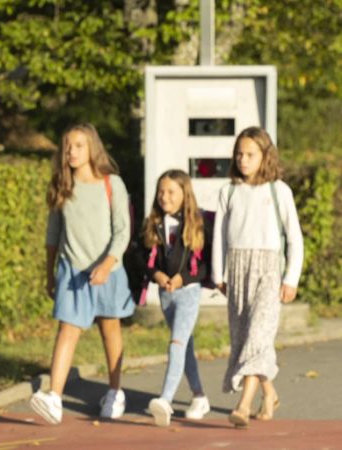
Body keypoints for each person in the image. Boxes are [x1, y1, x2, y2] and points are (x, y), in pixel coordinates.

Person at [30, 123, 135, 424]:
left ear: (92, 149)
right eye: (67, 146)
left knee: (109, 329)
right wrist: (50, 275)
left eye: (78, 146)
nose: (71, 152)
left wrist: (106, 264)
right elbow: (53, 235)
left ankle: (115, 392)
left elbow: (122, 231)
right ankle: (54, 397)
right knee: (67, 329)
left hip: (108, 271)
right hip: (71, 269)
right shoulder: (61, 185)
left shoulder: (111, 183)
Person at [212, 127, 303, 428]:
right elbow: (219, 237)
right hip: (237, 270)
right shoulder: (228, 192)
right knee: (245, 338)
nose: (243, 159)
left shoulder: (279, 191)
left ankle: (243, 404)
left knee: (258, 335)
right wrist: (218, 273)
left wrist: (291, 277)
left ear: (266, 156)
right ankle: (270, 393)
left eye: (250, 154)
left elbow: (295, 239)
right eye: (239, 153)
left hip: (268, 271)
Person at [141, 170, 211, 427]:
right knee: (185, 347)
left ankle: (166, 399)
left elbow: (204, 266)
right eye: (161, 191)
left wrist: (183, 278)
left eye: (171, 192)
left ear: (185, 194)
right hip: (166, 294)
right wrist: (157, 275)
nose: (164, 197)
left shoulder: (197, 224)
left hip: (188, 292)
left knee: (177, 342)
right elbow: (144, 260)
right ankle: (200, 396)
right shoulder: (153, 224)